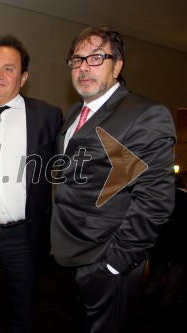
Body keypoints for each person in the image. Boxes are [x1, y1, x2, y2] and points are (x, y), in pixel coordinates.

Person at [50, 25, 176, 333]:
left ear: (117, 65)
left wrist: (116, 263)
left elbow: (155, 201)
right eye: (77, 60)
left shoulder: (144, 114)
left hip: (109, 261)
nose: (83, 67)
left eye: (96, 58)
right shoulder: (78, 112)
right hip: (79, 255)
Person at [0, 35, 62, 333]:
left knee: (24, 308)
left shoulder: (46, 116)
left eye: (8, 68)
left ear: (24, 77)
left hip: (23, 235)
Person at [142, 171, 187, 311]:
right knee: (175, 275)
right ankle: (166, 303)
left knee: (155, 272)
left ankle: (147, 298)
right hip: (181, 245)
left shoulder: (165, 197)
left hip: (162, 242)